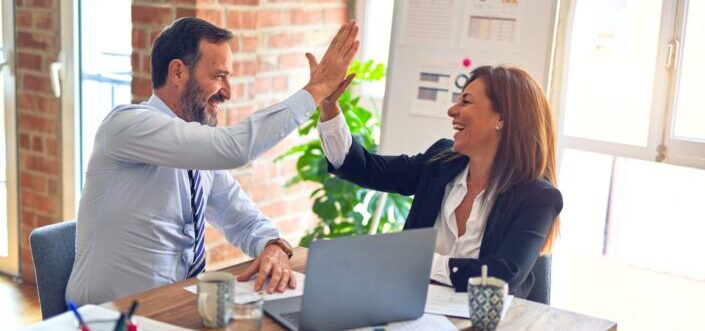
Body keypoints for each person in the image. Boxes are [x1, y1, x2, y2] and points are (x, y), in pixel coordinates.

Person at [66, 17, 359, 305]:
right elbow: (235, 148)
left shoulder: (197, 154)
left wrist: (273, 245)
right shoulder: (127, 126)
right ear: (178, 72)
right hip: (106, 318)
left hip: (172, 310)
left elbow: (243, 218)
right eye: (219, 76)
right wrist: (316, 90)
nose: (227, 92)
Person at [317, 65, 563, 299]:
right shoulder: (440, 162)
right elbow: (363, 168)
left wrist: (419, 261)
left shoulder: (538, 197)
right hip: (413, 312)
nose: (452, 110)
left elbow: (501, 276)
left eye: (466, 101)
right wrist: (329, 107)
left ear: (501, 118)